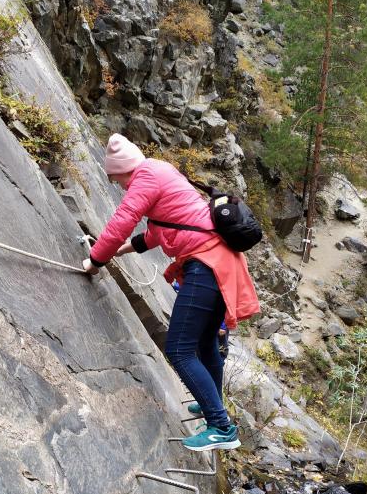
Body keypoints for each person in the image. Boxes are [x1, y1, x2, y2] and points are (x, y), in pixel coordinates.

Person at [82, 134, 260, 451]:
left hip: (206, 266)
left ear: (124, 170)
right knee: (206, 345)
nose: (118, 186)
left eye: (115, 179)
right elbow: (158, 232)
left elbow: (123, 220)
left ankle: (221, 427)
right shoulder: (162, 173)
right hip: (220, 264)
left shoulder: (145, 176)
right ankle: (211, 406)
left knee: (178, 349)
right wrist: (119, 252)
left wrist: (97, 259)